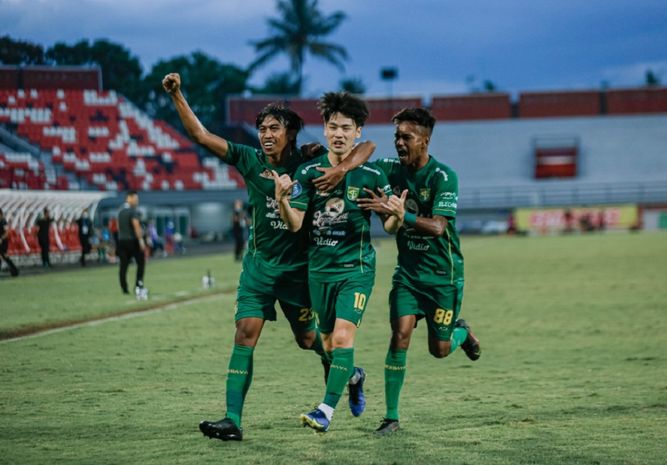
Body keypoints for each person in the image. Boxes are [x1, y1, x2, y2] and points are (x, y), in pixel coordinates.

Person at [163, 73, 374, 442]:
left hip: (299, 274)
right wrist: (178, 94)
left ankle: (351, 375)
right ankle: (232, 419)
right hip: (258, 269)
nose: (265, 134)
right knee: (245, 333)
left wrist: (340, 168)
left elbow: (363, 148)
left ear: (291, 133)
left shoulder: (308, 163)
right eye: (262, 128)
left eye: (274, 128)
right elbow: (200, 136)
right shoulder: (249, 159)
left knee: (309, 340)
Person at [274, 91, 405, 433]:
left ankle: (325, 410)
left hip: (356, 269)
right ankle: (355, 375)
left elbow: (389, 227)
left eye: (346, 128)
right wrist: (283, 202)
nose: (339, 133)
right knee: (329, 346)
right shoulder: (308, 173)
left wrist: (397, 217)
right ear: (325, 128)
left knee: (344, 338)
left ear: (357, 132)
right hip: (319, 270)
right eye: (333, 126)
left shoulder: (372, 175)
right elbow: (295, 224)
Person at [357, 108, 481, 435]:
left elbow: (439, 227)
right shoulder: (390, 169)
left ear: (424, 141)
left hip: (443, 278)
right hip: (408, 277)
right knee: (399, 337)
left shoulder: (443, 176)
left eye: (406, 137)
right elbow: (364, 154)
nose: (399, 142)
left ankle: (462, 333)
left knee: (438, 350)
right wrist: (327, 155)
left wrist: (401, 214)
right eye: (396, 136)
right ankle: (391, 417)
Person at [117, 190, 147, 299]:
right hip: (132, 241)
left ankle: (124, 288)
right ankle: (139, 285)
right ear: (129, 198)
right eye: (135, 199)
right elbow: (136, 226)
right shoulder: (132, 211)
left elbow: (118, 227)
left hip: (121, 241)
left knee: (123, 266)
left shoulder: (120, 211)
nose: (137, 201)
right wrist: (141, 240)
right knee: (141, 263)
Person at [0, 208, 19, 276]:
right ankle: (14, 270)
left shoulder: (4, 221)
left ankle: (14, 269)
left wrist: (1, 238)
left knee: (4, 256)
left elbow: (7, 232)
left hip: (3, 242)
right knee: (3, 256)